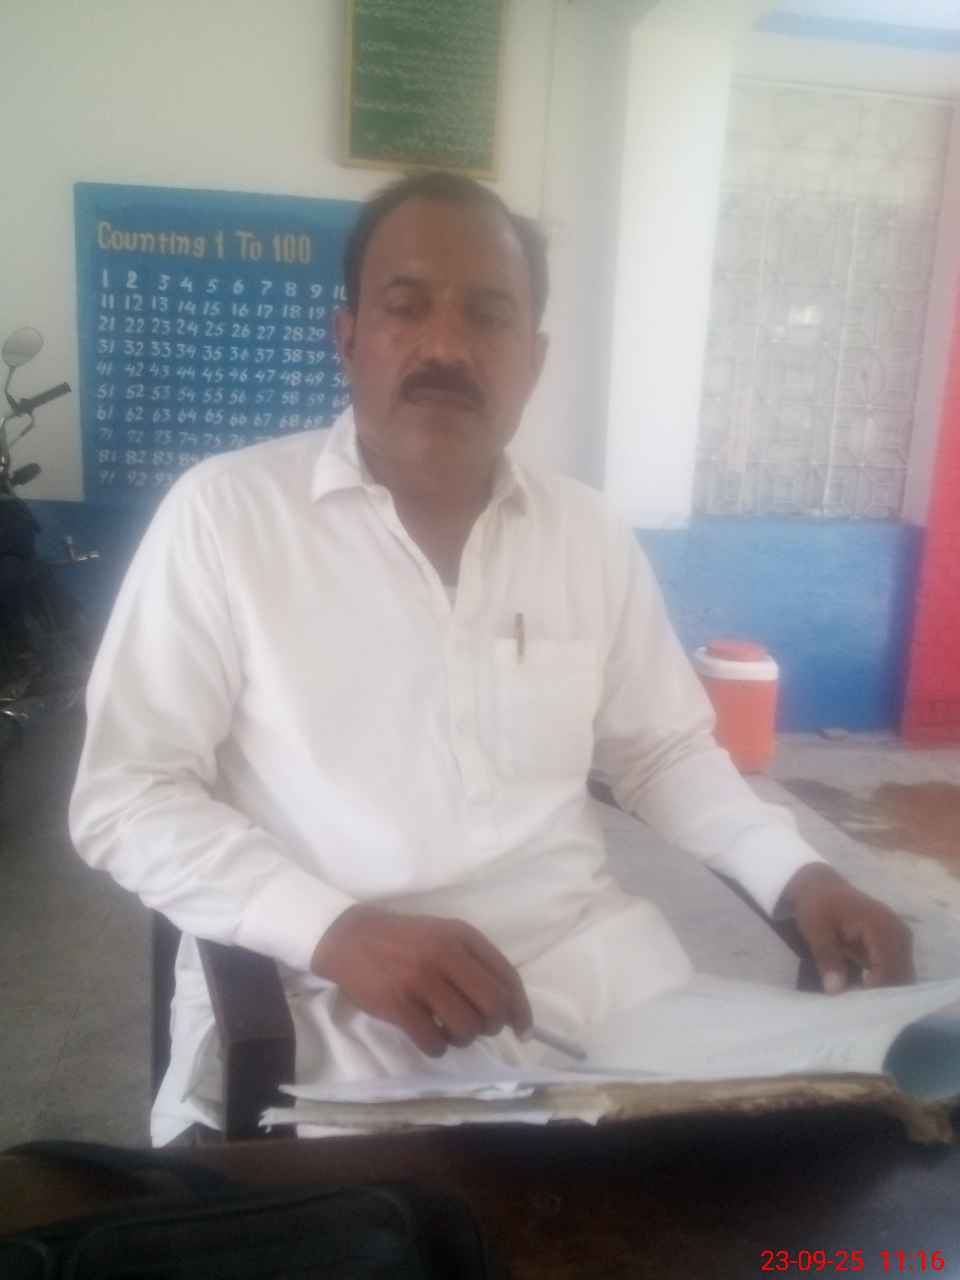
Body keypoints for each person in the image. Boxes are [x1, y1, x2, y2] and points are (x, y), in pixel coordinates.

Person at [69, 172, 913, 1146]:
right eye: (406, 306)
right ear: (347, 337)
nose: (445, 345)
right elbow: (127, 794)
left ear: (533, 359)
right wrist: (332, 929)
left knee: (825, 1165)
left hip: (598, 997)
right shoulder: (227, 517)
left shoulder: (586, 534)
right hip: (328, 1018)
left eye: (488, 314)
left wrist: (799, 875)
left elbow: (662, 752)